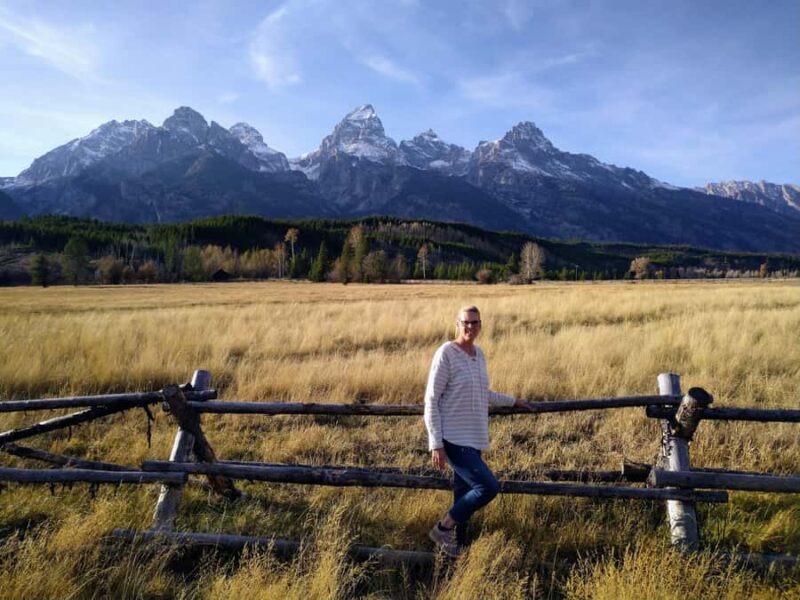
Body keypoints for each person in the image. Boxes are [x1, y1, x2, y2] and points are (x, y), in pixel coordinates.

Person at [423, 305, 530, 557]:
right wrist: (436, 443)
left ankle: (457, 547)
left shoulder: (478, 354)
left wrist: (513, 401)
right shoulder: (446, 353)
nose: (470, 327)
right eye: (466, 322)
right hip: (453, 439)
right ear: (457, 324)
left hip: (474, 438)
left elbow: (484, 392)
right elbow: (431, 400)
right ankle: (442, 529)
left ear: (480, 325)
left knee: (463, 494)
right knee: (488, 487)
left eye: (475, 322)